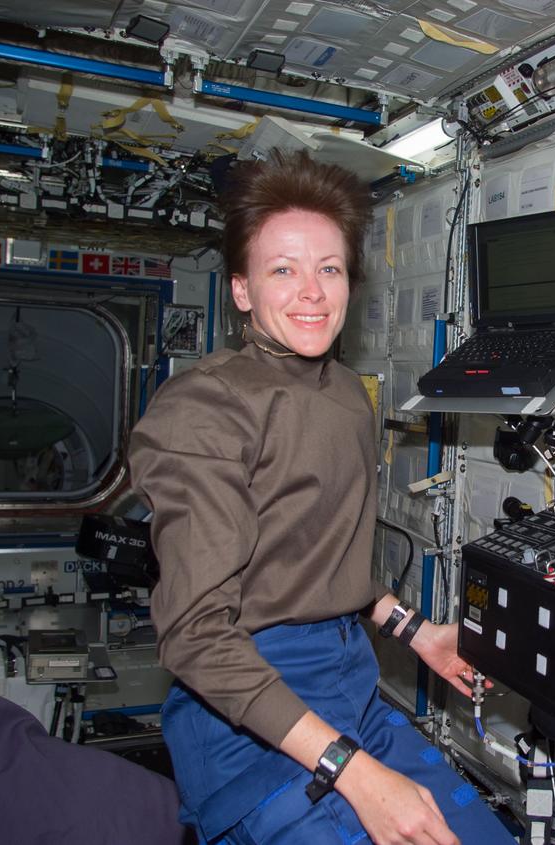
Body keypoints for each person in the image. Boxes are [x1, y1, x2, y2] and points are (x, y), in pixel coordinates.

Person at [128, 151, 512, 845]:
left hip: (348, 684)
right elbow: (195, 636)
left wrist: (419, 633)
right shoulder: (203, 408)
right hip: (246, 707)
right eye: (283, 269)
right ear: (241, 290)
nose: (311, 291)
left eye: (328, 268)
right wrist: (356, 775)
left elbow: (313, 564)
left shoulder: (342, 393)